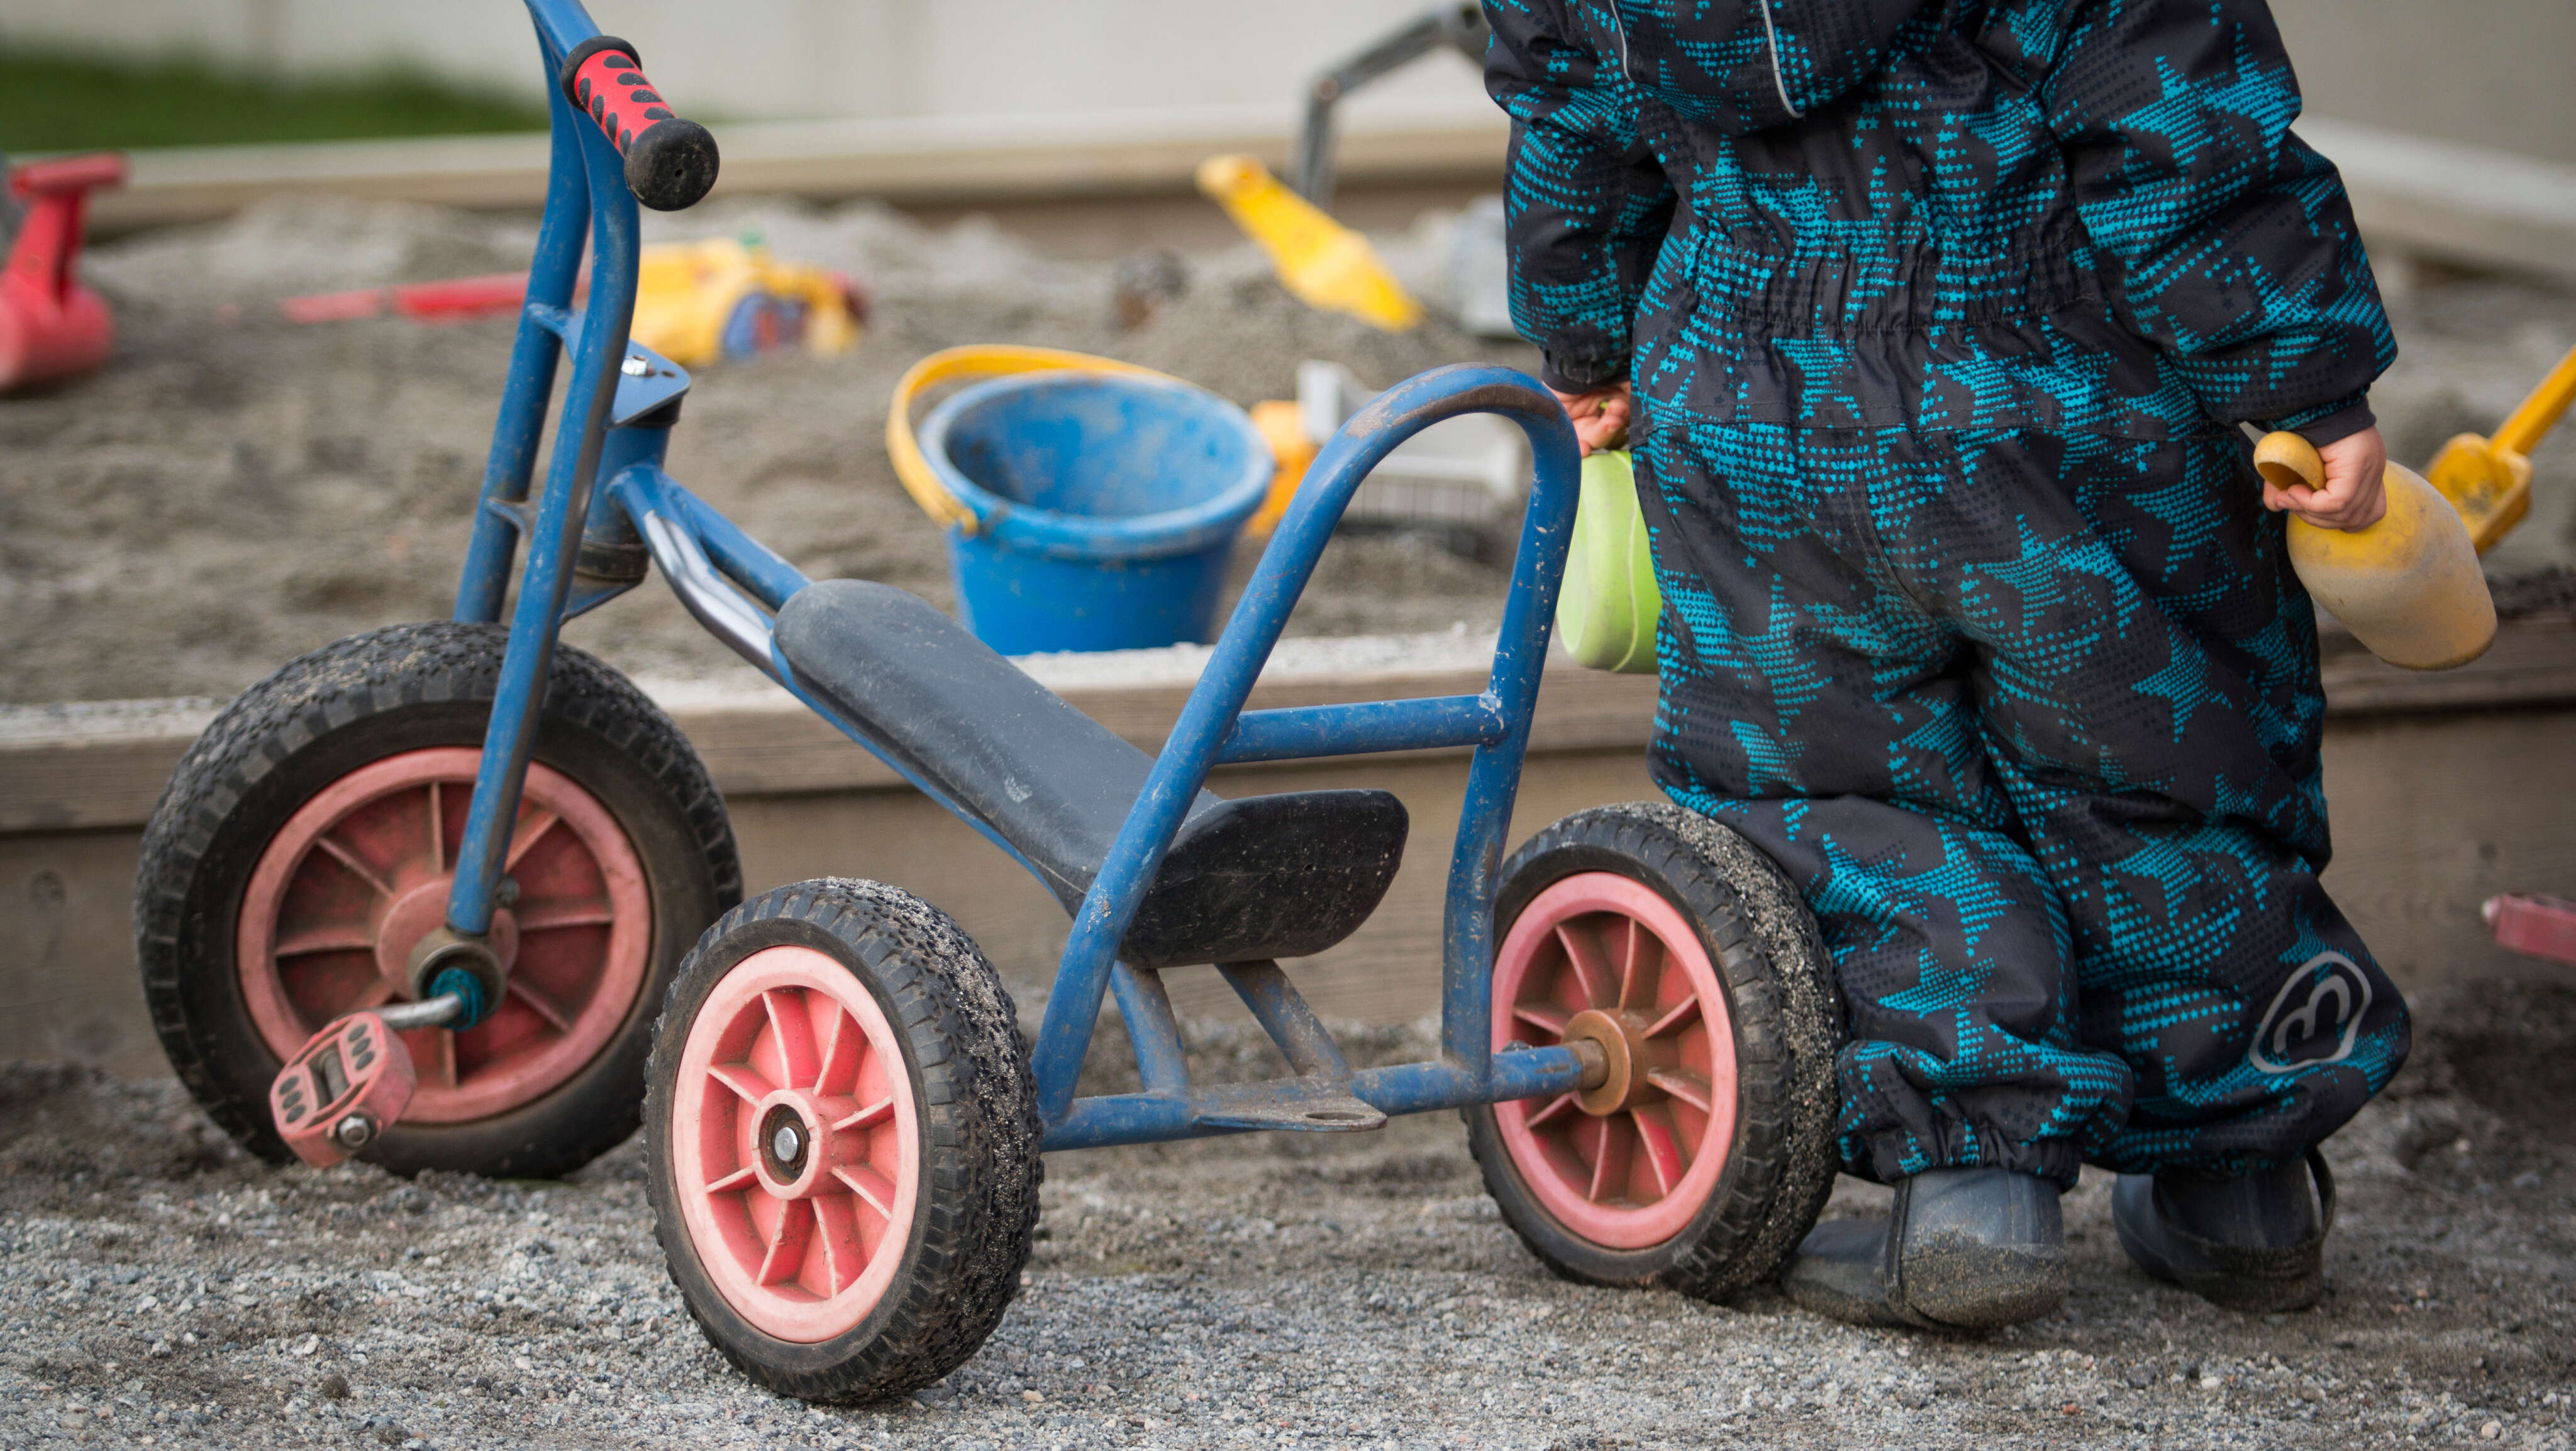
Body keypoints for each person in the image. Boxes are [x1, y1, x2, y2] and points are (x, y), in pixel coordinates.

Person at [1485, 0, 2406, 1329]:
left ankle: (1973, 1193)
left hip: (1752, 403)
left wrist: (1587, 341)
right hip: (2065, 392)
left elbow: (1568, 115)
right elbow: (2182, 119)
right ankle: (2238, 1182)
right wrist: (2300, 379)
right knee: (2156, 760)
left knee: (1844, 791)